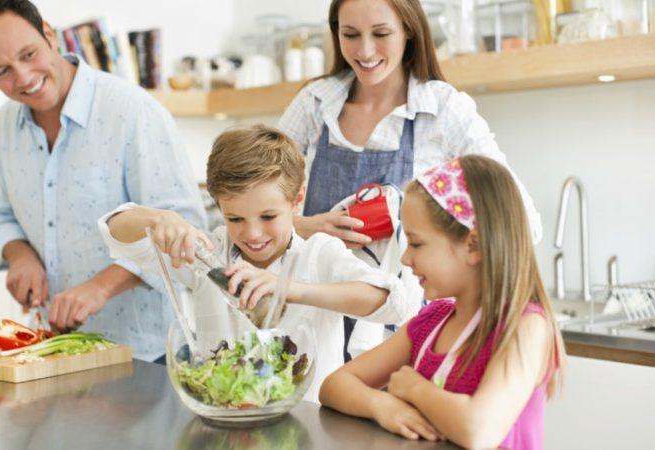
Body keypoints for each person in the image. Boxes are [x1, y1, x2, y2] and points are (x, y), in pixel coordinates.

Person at [277, 0, 543, 360]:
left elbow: (521, 220)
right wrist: (305, 226)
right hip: (315, 321)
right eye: (350, 35)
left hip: (407, 333)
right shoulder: (314, 103)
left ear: (409, 30)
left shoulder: (444, 110)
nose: (365, 50)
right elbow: (254, 205)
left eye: (381, 34)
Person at [0, 0, 206, 361]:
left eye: (28, 54)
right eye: (3, 71)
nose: (24, 77)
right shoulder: (3, 129)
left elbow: (185, 231)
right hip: (54, 353)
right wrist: (20, 256)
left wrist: (100, 288)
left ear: (48, 33)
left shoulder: (133, 112)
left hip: (145, 355)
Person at [99, 125, 415, 401]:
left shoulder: (318, 254)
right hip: (227, 426)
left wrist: (290, 289)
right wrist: (158, 219)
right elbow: (114, 231)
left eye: (268, 216)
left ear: (297, 200)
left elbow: (394, 303)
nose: (252, 233)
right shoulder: (209, 254)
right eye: (235, 218)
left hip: (308, 431)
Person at [319, 156, 565, 450]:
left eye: (417, 244)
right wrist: (380, 405)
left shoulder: (525, 328)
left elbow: (478, 431)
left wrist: (414, 388)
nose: (405, 258)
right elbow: (333, 385)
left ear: (473, 246)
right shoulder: (431, 322)